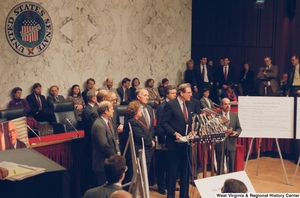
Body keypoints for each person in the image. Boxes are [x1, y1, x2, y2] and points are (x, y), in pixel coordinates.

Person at [161, 83, 193, 198]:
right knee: (173, 173)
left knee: (185, 172)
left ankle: (184, 195)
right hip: (174, 144)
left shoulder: (189, 104)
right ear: (181, 93)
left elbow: (190, 122)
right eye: (188, 92)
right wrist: (174, 133)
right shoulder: (171, 104)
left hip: (186, 144)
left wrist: (192, 131)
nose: (191, 94)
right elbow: (163, 123)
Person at [91, 101, 120, 186]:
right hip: (102, 163)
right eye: (111, 109)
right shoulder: (98, 125)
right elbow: (104, 145)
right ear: (106, 111)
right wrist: (115, 156)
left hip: (110, 161)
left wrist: (118, 151)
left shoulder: (109, 121)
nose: (113, 111)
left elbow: (115, 138)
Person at [155, 86, 177, 195]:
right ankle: (161, 186)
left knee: (170, 164)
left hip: (171, 140)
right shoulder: (162, 106)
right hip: (163, 139)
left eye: (175, 93)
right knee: (162, 165)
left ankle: (170, 185)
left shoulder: (175, 105)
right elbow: (159, 125)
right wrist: (162, 141)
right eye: (172, 93)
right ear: (167, 95)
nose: (175, 95)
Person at [126, 101, 155, 172]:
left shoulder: (139, 121)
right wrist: (150, 143)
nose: (141, 111)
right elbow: (140, 137)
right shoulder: (133, 122)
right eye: (139, 110)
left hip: (145, 151)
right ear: (134, 112)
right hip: (138, 152)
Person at [215, 98, 242, 175]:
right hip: (220, 144)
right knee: (220, 167)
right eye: (226, 104)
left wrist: (236, 132)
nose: (228, 106)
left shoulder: (234, 115)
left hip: (231, 144)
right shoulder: (216, 116)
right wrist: (223, 131)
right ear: (221, 105)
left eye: (229, 104)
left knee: (231, 167)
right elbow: (213, 129)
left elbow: (239, 128)